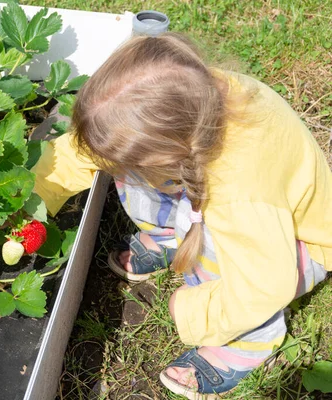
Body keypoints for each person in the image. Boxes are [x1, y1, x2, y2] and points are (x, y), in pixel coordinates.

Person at [31, 33, 332, 399]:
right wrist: (33, 197)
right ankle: (167, 236)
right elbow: (83, 150)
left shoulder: (240, 195)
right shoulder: (188, 96)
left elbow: (265, 284)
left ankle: (243, 347)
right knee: (125, 163)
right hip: (227, 203)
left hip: (295, 248)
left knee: (214, 244)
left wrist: (194, 311)